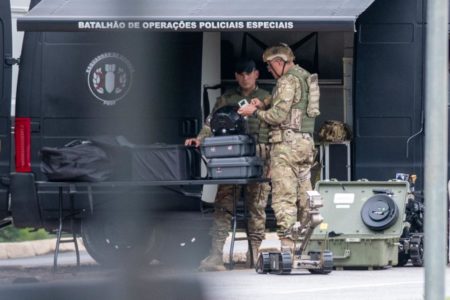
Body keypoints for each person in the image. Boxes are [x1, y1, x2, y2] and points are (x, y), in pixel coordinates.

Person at [185, 58, 271, 271]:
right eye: (241, 74)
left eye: (249, 73)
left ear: (256, 74)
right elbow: (210, 123)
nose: (245, 77)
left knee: (256, 208)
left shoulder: (267, 98)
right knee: (223, 206)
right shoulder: (227, 98)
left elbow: (277, 122)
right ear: (236, 76)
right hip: (231, 159)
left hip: (258, 158)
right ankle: (215, 256)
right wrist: (199, 139)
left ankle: (255, 255)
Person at [238, 43, 319, 258]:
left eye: (270, 66)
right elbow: (294, 106)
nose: (269, 71)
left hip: (287, 146)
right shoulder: (304, 76)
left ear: (279, 62)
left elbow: (278, 117)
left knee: (284, 198)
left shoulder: (286, 80)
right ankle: (307, 245)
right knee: (306, 198)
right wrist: (265, 103)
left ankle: (287, 249)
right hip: (305, 144)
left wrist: (254, 111)